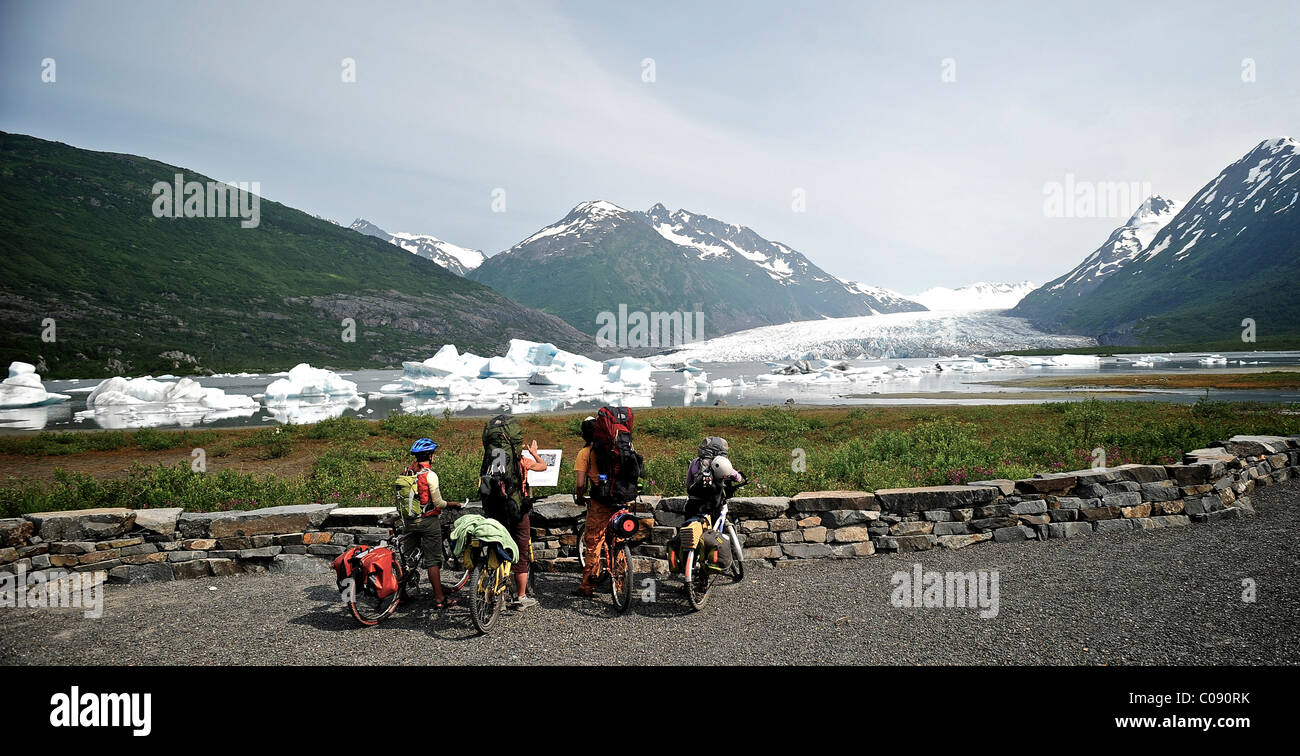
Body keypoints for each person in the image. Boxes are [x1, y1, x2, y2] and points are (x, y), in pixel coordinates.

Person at [401, 438, 461, 610]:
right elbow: (439, 503)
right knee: (432, 561)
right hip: (427, 521)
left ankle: (401, 595)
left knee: (408, 559)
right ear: (430, 455)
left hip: (409, 521)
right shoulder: (430, 475)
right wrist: (453, 504)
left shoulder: (407, 473)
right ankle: (440, 598)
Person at [571, 416, 616, 598]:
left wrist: (581, 498)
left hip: (600, 502)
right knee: (617, 539)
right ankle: (620, 578)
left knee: (594, 542)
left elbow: (581, 484)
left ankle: (587, 586)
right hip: (621, 499)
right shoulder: (615, 447)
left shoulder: (586, 452)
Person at [509, 437, 548, 610]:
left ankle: (498, 595)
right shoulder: (523, 462)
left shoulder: (494, 463)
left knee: (499, 547)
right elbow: (543, 466)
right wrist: (534, 454)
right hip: (518, 511)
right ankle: (521, 596)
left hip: (498, 512)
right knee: (521, 550)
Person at [684, 436, 744, 522]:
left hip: (693, 505)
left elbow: (688, 484)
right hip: (714, 506)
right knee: (714, 532)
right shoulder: (722, 464)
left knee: (691, 530)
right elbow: (738, 478)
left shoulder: (695, 462)